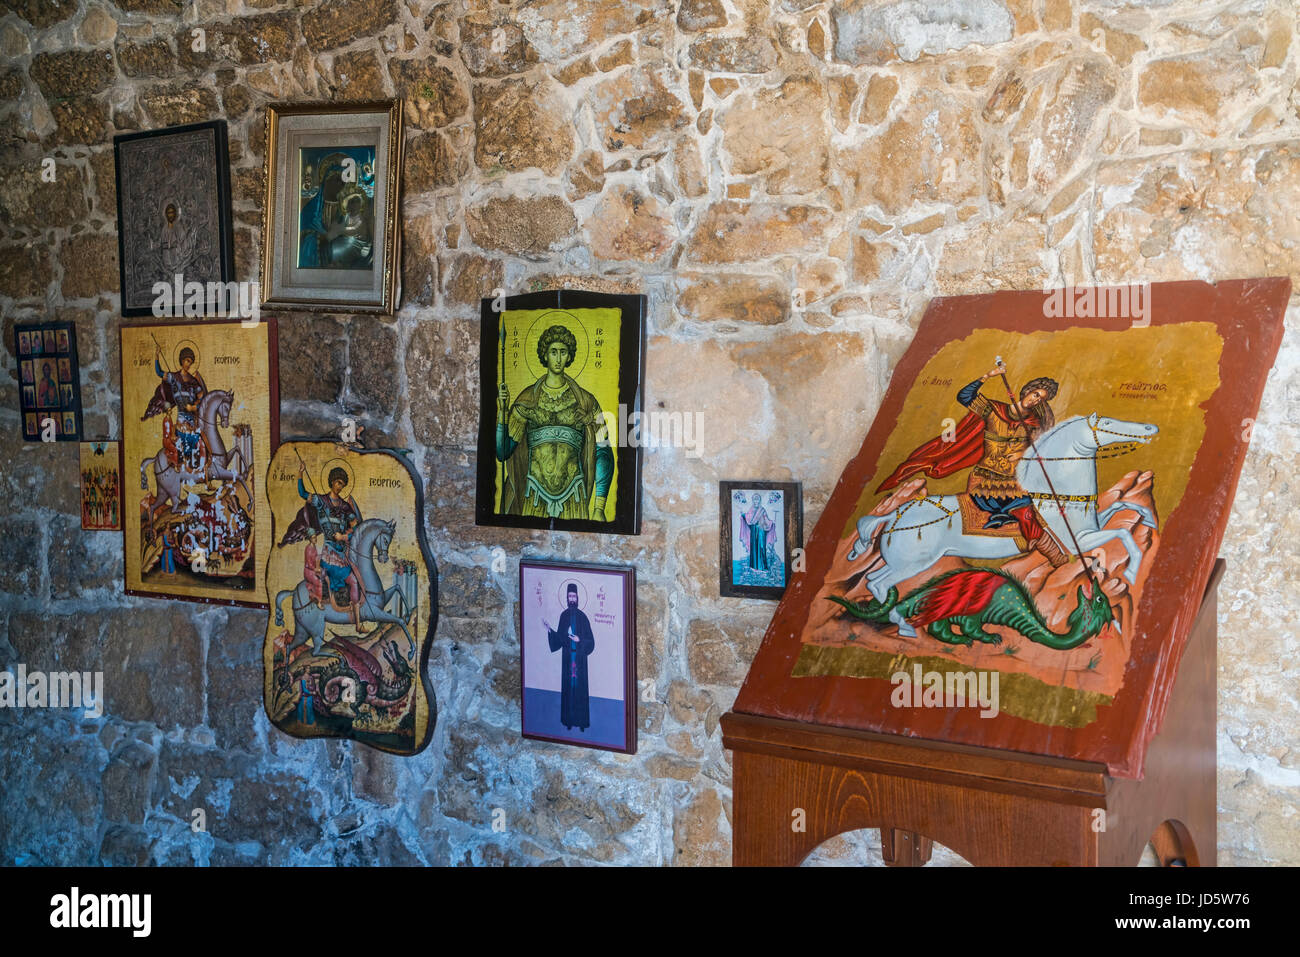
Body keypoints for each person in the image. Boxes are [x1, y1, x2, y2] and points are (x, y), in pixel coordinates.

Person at [876, 361, 1068, 567]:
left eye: (1041, 399)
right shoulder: (993, 410)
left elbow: (1036, 451)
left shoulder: (1033, 424)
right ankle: (1057, 558)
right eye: (1035, 394)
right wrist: (989, 375)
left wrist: (1022, 453)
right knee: (1026, 514)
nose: (1035, 400)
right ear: (1027, 391)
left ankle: (1053, 555)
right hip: (986, 479)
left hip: (1014, 481)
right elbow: (964, 397)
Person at [496, 324, 614, 521]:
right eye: (553, 352)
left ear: (569, 356)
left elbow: (603, 451)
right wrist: (502, 411)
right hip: (533, 495)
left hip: (574, 496)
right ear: (545, 355)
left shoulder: (587, 402)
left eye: (563, 352)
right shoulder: (527, 400)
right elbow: (502, 452)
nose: (558, 359)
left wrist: (599, 507)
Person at [296, 465, 368, 632]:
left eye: (342, 484)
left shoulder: (345, 506)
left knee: (356, 580)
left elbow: (356, 528)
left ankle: (357, 624)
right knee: (352, 579)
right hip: (329, 552)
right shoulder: (321, 501)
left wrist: (343, 537)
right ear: (331, 482)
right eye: (337, 482)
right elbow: (303, 493)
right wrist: (300, 473)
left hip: (342, 552)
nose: (339, 486)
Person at [143, 345, 207, 472]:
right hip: (181, 418)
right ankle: (183, 466)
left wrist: (194, 406)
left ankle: (200, 468)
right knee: (184, 438)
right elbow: (159, 372)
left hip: (192, 418)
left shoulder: (193, 380)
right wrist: (156, 356)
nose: (189, 364)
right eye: (187, 361)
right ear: (182, 360)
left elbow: (202, 397)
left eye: (191, 362)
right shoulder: (174, 378)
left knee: (200, 440)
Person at [544, 583, 596, 732]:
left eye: (573, 596)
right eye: (569, 597)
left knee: (579, 691)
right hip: (568, 660)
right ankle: (568, 721)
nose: (571, 599)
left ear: (577, 597)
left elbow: (591, 641)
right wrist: (549, 630)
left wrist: (579, 640)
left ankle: (581, 723)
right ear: (566, 599)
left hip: (579, 659)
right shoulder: (564, 615)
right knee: (568, 690)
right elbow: (560, 639)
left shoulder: (583, 617)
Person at [738, 492, 775, 573]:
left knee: (762, 548)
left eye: (757, 501)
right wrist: (742, 515)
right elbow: (748, 519)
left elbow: (766, 520)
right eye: (755, 501)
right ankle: (754, 566)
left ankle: (763, 567)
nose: (756, 502)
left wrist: (771, 522)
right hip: (754, 532)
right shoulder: (751, 510)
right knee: (754, 548)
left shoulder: (762, 510)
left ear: (759, 501)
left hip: (761, 532)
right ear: (753, 501)